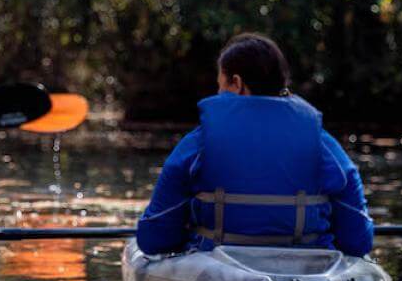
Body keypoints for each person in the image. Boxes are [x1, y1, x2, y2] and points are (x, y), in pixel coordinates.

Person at [136, 33, 374, 257]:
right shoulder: (323, 144)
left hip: (217, 274)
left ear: (237, 83)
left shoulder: (198, 143)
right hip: (308, 272)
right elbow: (358, 240)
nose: (218, 92)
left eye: (220, 84)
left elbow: (154, 238)